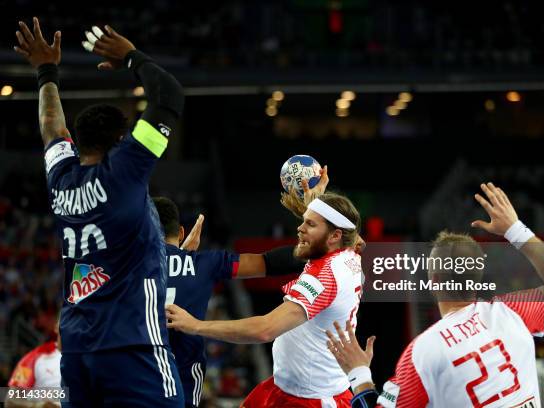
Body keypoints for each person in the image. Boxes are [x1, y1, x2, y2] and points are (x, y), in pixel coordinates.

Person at [14, 18, 185, 406]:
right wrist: (132, 57)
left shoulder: (63, 179)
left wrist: (46, 73)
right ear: (121, 142)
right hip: (132, 344)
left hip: (77, 349)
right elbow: (170, 95)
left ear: (80, 143)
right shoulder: (124, 171)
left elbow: (51, 130)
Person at [325, 182, 544, 408]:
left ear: (433, 280)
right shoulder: (513, 312)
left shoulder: (422, 353)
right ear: (478, 277)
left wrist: (359, 373)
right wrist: (515, 229)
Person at [166, 192, 363, 407]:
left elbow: (264, 329)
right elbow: (351, 233)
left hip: (311, 400)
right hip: (283, 387)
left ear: (334, 236)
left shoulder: (325, 277)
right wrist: (315, 204)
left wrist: (195, 325)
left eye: (310, 223)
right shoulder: (348, 253)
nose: (299, 227)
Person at [5, 320, 62, 408]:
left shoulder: (88, 360)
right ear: (56, 326)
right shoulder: (33, 357)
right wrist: (38, 405)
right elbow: (11, 399)